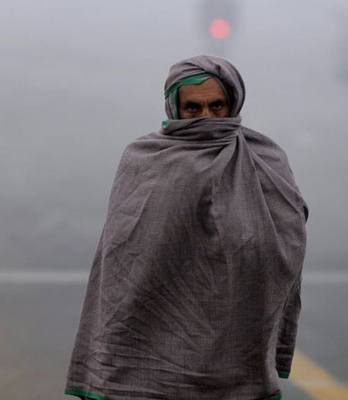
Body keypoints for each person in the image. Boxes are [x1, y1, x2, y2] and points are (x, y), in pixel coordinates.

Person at [64, 55, 308, 400]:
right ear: (174, 109)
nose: (207, 118)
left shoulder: (265, 159)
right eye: (193, 108)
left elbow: (284, 245)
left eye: (217, 106)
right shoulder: (145, 159)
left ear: (233, 104)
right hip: (150, 350)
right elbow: (123, 263)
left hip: (237, 351)